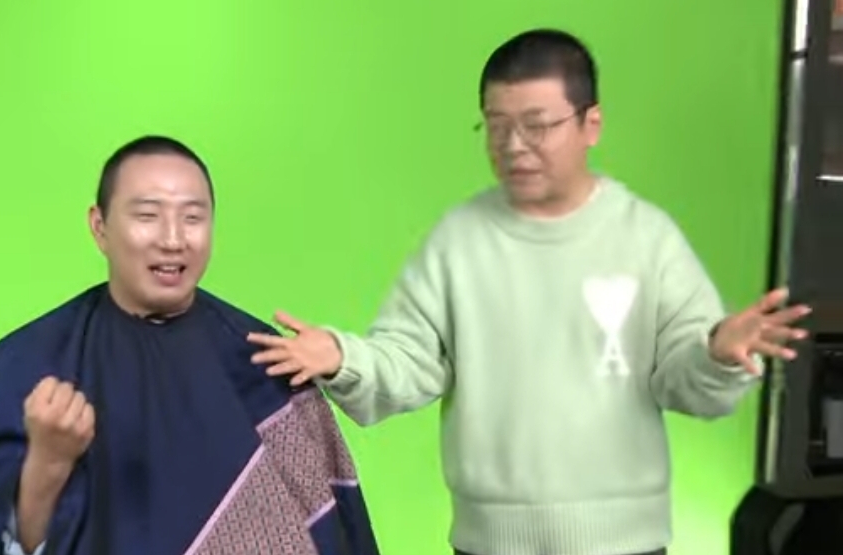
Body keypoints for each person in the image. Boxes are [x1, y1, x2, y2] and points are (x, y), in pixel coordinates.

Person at [246, 29, 812, 555]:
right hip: (489, 542)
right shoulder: (457, 243)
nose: (513, 145)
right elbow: (411, 362)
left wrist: (717, 353)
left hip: (625, 543)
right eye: (496, 126)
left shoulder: (645, 237)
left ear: (591, 124)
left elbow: (685, 382)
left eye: (537, 125)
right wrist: (343, 357)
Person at [0, 135, 382, 555]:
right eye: (148, 216)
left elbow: (334, 532)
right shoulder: (28, 362)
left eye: (193, 217)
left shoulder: (262, 359)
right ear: (100, 227)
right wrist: (47, 464)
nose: (173, 240)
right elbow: (0, 543)